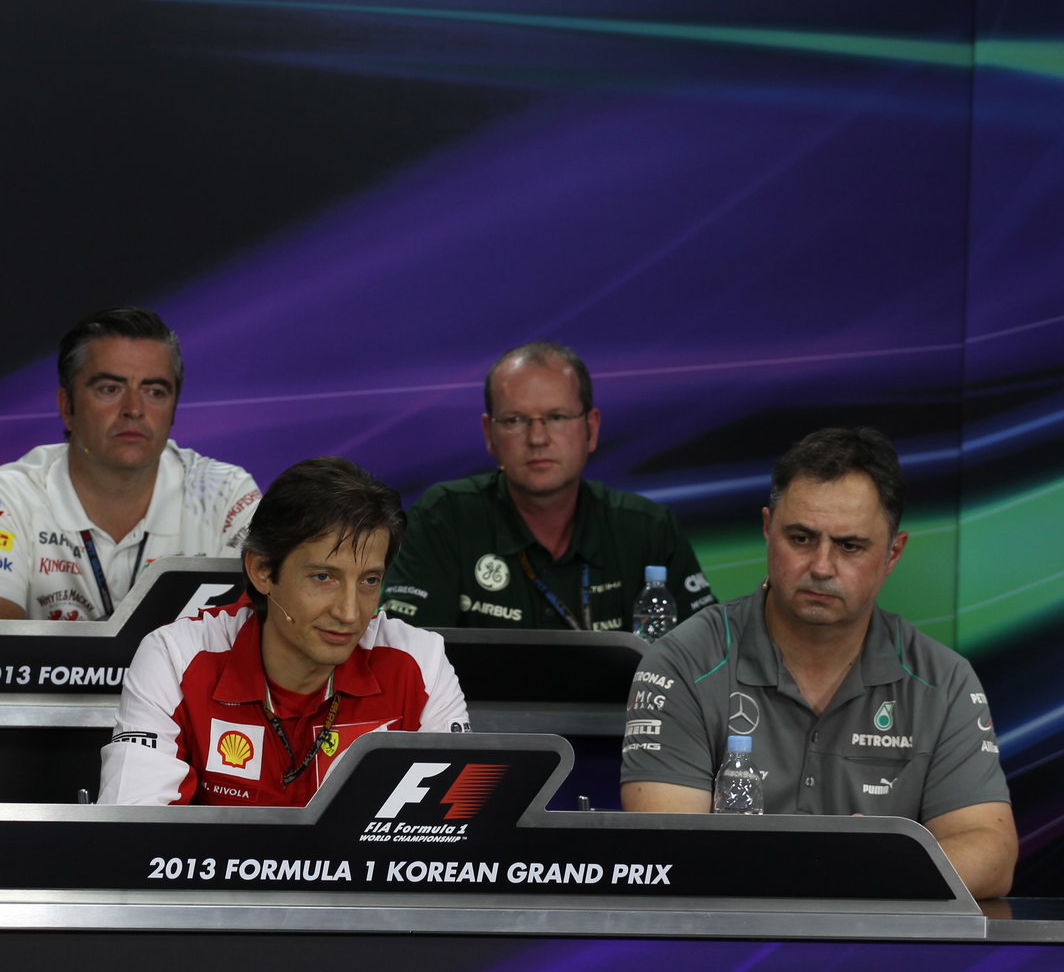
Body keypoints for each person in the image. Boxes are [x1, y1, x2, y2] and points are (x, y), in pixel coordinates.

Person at [620, 427, 1016, 899]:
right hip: (719, 956)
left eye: (850, 546)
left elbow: (992, 854)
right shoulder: (683, 662)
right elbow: (667, 854)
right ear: (768, 530)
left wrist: (868, 868)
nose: (822, 566)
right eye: (802, 538)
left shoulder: (944, 681)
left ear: (893, 552)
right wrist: (841, 864)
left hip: (884, 960)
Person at [99, 456, 471, 806]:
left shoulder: (421, 661)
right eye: (324, 577)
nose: (349, 612)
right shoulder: (176, 658)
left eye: (369, 580)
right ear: (262, 571)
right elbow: (129, 836)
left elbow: (457, 840)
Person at [0, 307, 261, 621]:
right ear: (66, 406)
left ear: (173, 410)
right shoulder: (5, 497)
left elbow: (262, 636)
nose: (134, 409)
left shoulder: (226, 496)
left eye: (155, 391)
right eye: (110, 389)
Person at [381, 341, 715, 631]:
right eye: (514, 420)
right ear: (489, 435)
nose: (537, 438)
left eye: (556, 417)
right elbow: (405, 658)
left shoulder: (649, 530)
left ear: (591, 428)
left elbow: (706, 659)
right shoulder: (444, 518)